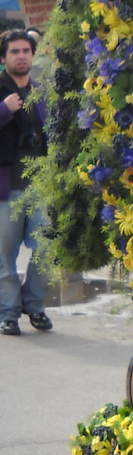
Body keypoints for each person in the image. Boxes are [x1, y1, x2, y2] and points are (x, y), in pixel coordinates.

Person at [0, 28, 49, 333]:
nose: (21, 56)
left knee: (48, 249)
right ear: (3, 58)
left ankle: (34, 304)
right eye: (14, 52)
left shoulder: (42, 92)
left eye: (25, 51)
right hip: (6, 190)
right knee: (4, 258)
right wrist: (5, 110)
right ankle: (8, 312)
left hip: (41, 187)